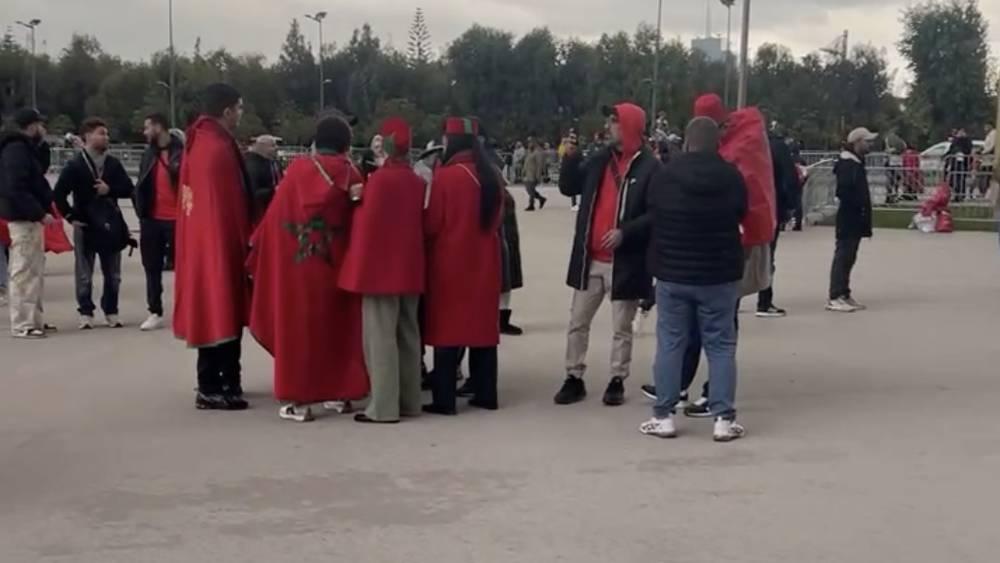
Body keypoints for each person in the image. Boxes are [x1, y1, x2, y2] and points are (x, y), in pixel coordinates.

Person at [249, 113, 370, 423]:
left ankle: (297, 401)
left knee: (298, 333)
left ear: (317, 142)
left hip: (296, 269)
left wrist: (258, 249)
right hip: (336, 265)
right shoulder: (351, 174)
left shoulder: (297, 172)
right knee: (338, 330)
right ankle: (341, 394)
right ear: (346, 143)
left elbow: (274, 220)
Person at [641, 117, 748, 442]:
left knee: (671, 343)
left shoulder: (666, 174)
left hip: (673, 272)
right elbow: (742, 213)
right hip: (718, 274)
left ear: (686, 142)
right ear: (718, 143)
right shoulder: (732, 176)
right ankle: (723, 420)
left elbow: (653, 210)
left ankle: (664, 415)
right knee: (721, 346)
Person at [554, 102, 660, 407]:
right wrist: (571, 159)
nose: (609, 126)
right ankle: (573, 376)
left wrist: (625, 232)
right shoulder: (600, 160)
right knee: (577, 321)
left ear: (629, 126)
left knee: (621, 327)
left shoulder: (650, 167)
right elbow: (568, 186)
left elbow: (655, 213)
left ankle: (617, 378)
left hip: (625, 262)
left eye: (614, 121)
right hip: (591, 258)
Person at [337, 117, 426, 424]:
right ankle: (410, 400)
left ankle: (384, 407)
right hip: (410, 268)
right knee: (408, 335)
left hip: (379, 271)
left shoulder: (378, 182)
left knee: (379, 338)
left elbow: (366, 225)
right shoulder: (417, 182)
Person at [174, 83, 255, 411]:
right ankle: (216, 385)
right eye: (239, 107)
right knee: (221, 306)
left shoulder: (202, 141)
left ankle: (220, 382)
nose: (241, 113)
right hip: (219, 243)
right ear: (226, 111)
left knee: (213, 307)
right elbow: (230, 206)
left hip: (204, 243)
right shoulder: (216, 148)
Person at [422, 117, 504, 415]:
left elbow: (432, 224)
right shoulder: (491, 175)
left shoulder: (447, 176)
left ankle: (445, 399)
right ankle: (486, 393)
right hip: (485, 262)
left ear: (451, 141)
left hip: (451, 263)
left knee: (447, 330)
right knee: (482, 329)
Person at [54, 117, 135, 330]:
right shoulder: (75, 165)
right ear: (87, 136)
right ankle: (86, 311)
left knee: (113, 273)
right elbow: (59, 194)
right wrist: (70, 217)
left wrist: (111, 190)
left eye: (106, 133)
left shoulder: (113, 164)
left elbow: (128, 188)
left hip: (110, 224)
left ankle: (111, 310)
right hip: (86, 223)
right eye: (101, 133)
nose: (105, 137)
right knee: (84, 272)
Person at [0, 109, 54, 339]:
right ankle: (22, 323)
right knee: (23, 271)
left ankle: (34, 319)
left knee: (34, 271)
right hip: (23, 218)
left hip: (30, 217)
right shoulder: (16, 150)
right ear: (32, 126)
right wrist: (38, 212)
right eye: (40, 125)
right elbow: (16, 187)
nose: (43, 129)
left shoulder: (26, 149)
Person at [134, 113, 184, 331]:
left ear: (158, 127)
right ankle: (155, 310)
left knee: (184, 268)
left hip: (178, 220)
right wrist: (141, 211)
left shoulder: (182, 153)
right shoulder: (148, 155)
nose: (145, 133)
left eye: (147, 128)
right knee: (151, 267)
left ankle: (187, 311)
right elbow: (141, 184)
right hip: (152, 219)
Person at [827, 127, 875, 313]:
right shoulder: (848, 164)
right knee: (843, 256)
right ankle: (835, 295)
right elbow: (845, 192)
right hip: (849, 217)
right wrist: (858, 207)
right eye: (867, 141)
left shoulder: (856, 163)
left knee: (849, 257)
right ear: (857, 142)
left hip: (855, 217)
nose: (870, 144)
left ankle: (844, 293)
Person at [755, 124, 798, 318]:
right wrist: (792, 205)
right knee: (768, 255)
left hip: (745, 207)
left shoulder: (743, 145)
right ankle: (764, 301)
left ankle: (734, 299)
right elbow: (789, 177)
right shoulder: (777, 147)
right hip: (771, 206)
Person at [499, 186, 524, 335]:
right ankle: (501, 320)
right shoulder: (498, 191)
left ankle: (501, 319)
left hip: (507, 238)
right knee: (504, 281)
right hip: (504, 239)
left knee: (505, 282)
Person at [244, 134, 283, 214]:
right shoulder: (252, 165)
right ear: (261, 147)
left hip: (277, 206)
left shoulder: (275, 163)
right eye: (272, 145)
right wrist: (274, 190)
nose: (276, 148)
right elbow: (253, 192)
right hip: (261, 210)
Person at [522, 139, 547, 211]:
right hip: (527, 174)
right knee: (529, 189)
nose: (529, 144)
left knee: (530, 190)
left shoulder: (538, 153)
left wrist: (538, 176)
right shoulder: (529, 152)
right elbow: (526, 163)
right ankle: (541, 199)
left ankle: (531, 205)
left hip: (533, 174)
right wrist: (523, 171)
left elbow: (540, 165)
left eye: (530, 143)